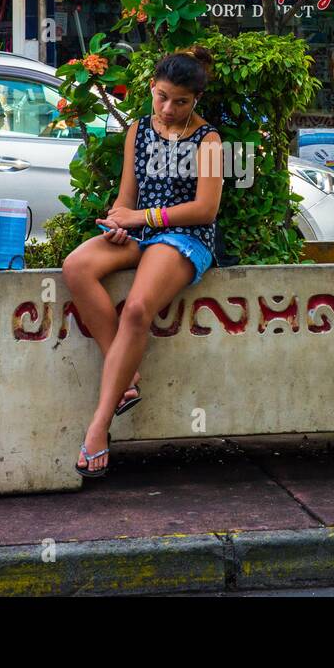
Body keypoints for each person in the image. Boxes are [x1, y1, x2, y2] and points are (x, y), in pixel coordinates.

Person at [61, 47, 224, 477]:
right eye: (163, 97)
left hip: (185, 236)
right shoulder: (138, 130)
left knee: (136, 308)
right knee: (76, 266)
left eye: (181, 102)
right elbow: (125, 196)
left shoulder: (208, 140)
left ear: (196, 102)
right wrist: (117, 220)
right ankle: (127, 378)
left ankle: (97, 429)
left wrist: (141, 219)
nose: (169, 109)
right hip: (137, 231)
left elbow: (206, 209)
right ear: (152, 88)